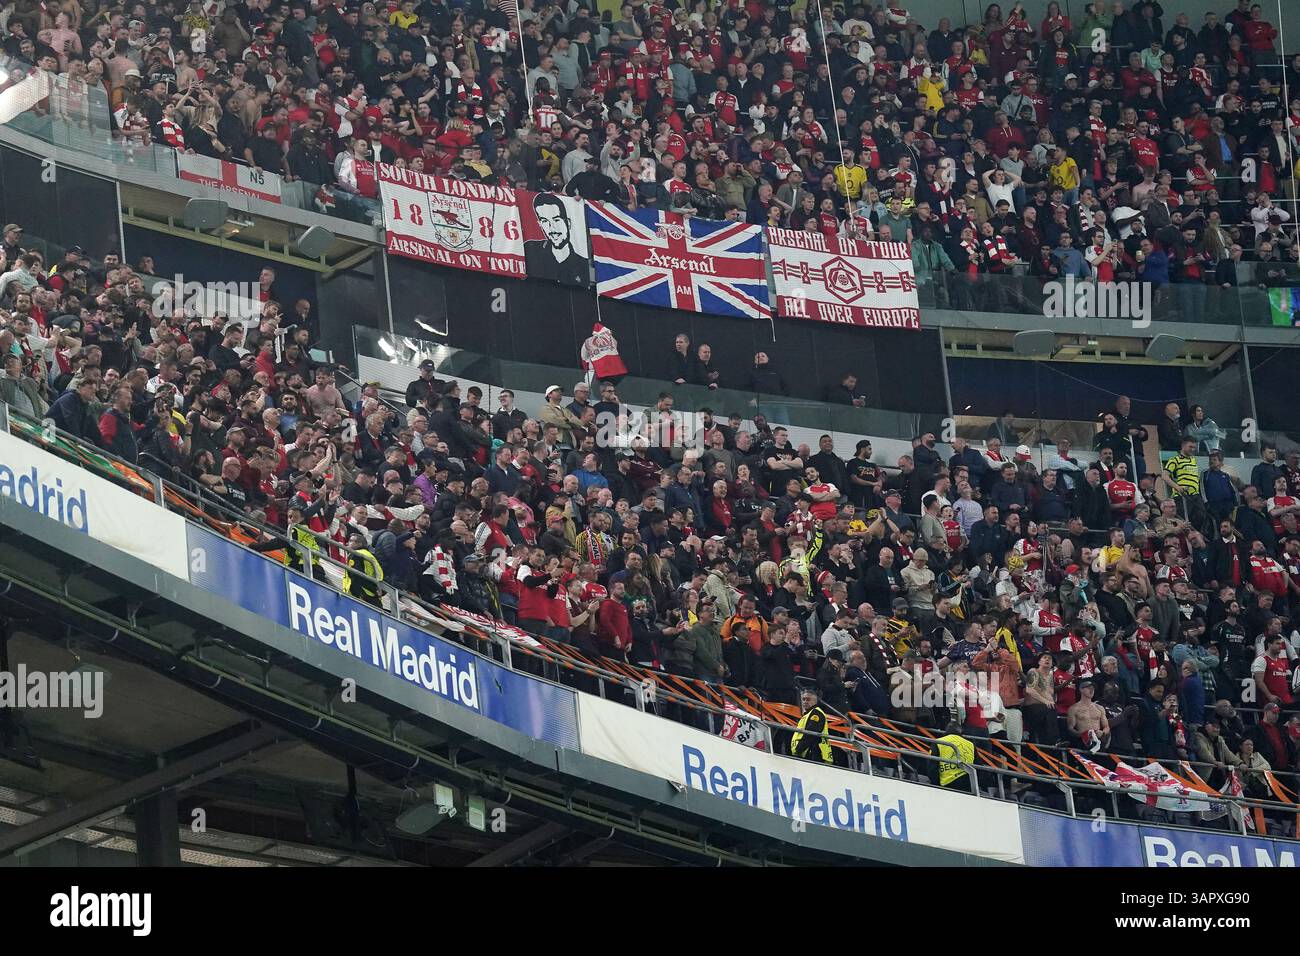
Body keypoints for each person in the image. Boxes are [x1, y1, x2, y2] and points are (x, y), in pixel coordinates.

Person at [524, 192, 589, 285]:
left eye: (556, 220)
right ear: (540, 224)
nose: (552, 227)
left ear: (568, 223)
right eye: (545, 221)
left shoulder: (582, 264)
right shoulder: (530, 250)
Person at [789, 688, 833, 763]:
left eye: (808, 699)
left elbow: (810, 734)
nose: (805, 702)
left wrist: (799, 749)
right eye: (803, 699)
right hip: (808, 753)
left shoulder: (816, 713)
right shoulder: (808, 714)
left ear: (815, 701)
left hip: (813, 753)